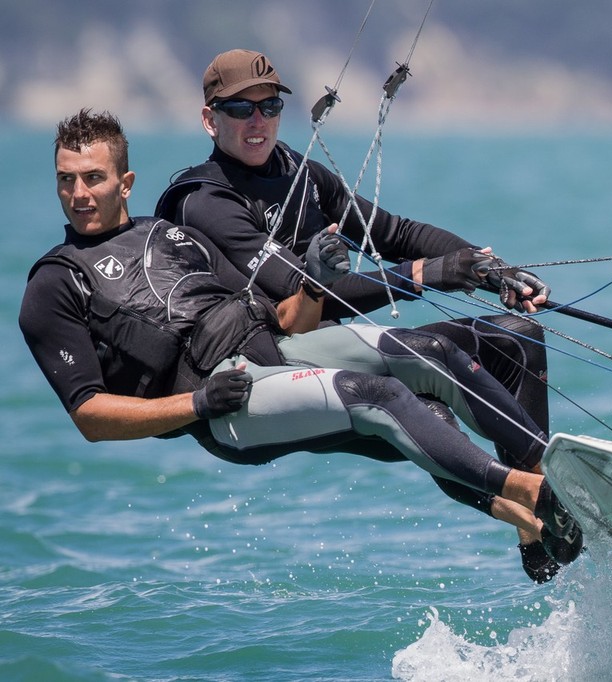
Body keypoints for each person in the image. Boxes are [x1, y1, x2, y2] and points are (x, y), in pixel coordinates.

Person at [20, 109, 581, 583]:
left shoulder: (175, 236)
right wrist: (196, 404)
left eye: (92, 178)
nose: (78, 194)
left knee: (428, 353)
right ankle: (537, 492)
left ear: (125, 182)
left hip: (278, 353)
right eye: (66, 180)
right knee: (378, 397)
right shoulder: (55, 284)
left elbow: (288, 317)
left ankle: (545, 489)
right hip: (227, 405)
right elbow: (90, 416)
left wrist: (313, 281)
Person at [154, 48, 560, 579]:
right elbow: (301, 293)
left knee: (518, 336)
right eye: (239, 109)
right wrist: (428, 275)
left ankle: (540, 515)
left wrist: (490, 269)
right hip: (270, 367)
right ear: (210, 119)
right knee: (428, 394)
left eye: (269, 106)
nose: (258, 121)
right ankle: (545, 502)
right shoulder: (203, 200)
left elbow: (395, 234)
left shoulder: (299, 172)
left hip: (333, 352)